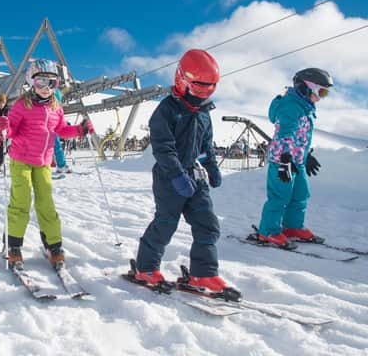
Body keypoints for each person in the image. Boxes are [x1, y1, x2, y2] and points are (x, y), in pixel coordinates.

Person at [134, 49, 234, 294]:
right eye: (199, 89)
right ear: (183, 81)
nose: (202, 96)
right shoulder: (166, 111)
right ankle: (145, 268)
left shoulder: (203, 113)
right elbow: (163, 148)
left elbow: (205, 145)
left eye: (209, 90)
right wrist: (177, 174)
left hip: (194, 175)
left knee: (208, 225)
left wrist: (211, 166)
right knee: (166, 223)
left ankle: (204, 274)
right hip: (170, 176)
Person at [0, 59, 94, 268]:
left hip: (43, 162)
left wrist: (79, 130)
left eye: (52, 83)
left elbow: (60, 130)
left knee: (46, 203)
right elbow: (11, 129)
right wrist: (3, 128)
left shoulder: (56, 108)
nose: (46, 88)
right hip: (21, 159)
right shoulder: (22, 104)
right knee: (21, 201)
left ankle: (53, 245)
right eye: (41, 82)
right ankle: (14, 245)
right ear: (32, 82)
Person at [257, 68, 333, 246]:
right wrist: (285, 161)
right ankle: (268, 230)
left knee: (300, 194)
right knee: (279, 196)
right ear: (305, 87)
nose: (321, 97)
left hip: (296, 161)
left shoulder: (304, 107)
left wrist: (306, 155)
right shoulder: (290, 106)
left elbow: (300, 136)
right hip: (282, 161)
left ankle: (292, 227)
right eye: (320, 91)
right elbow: (285, 135)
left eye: (325, 93)